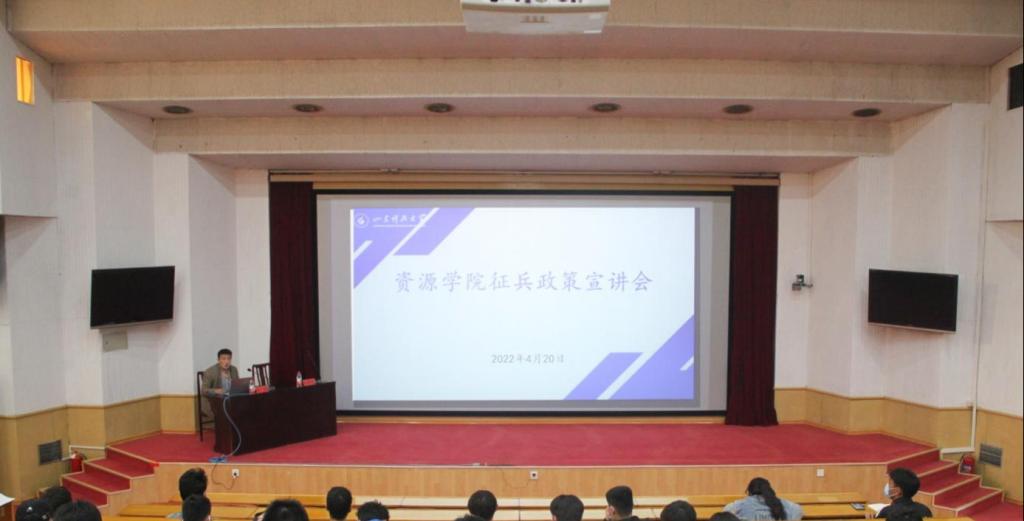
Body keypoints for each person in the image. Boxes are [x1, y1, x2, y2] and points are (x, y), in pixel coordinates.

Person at [724, 477, 803, 520]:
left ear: (750, 492)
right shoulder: (783, 503)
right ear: (769, 490)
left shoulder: (743, 504)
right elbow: (798, 510)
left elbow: (726, 512)